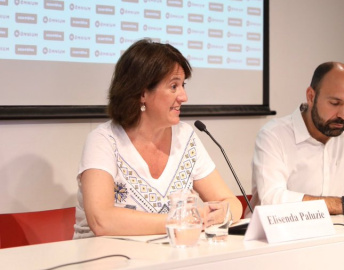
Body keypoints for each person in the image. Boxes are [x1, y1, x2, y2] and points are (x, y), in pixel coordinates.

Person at [73, 38, 242, 239]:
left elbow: (231, 203)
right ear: (142, 93)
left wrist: (223, 213)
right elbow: (102, 220)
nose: (183, 97)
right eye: (173, 86)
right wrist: (180, 221)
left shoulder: (185, 136)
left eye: (183, 85)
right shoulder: (103, 141)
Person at [247, 61, 344, 216]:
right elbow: (273, 199)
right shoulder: (273, 135)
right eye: (335, 103)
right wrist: (343, 204)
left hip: (337, 233)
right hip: (276, 236)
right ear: (311, 96)